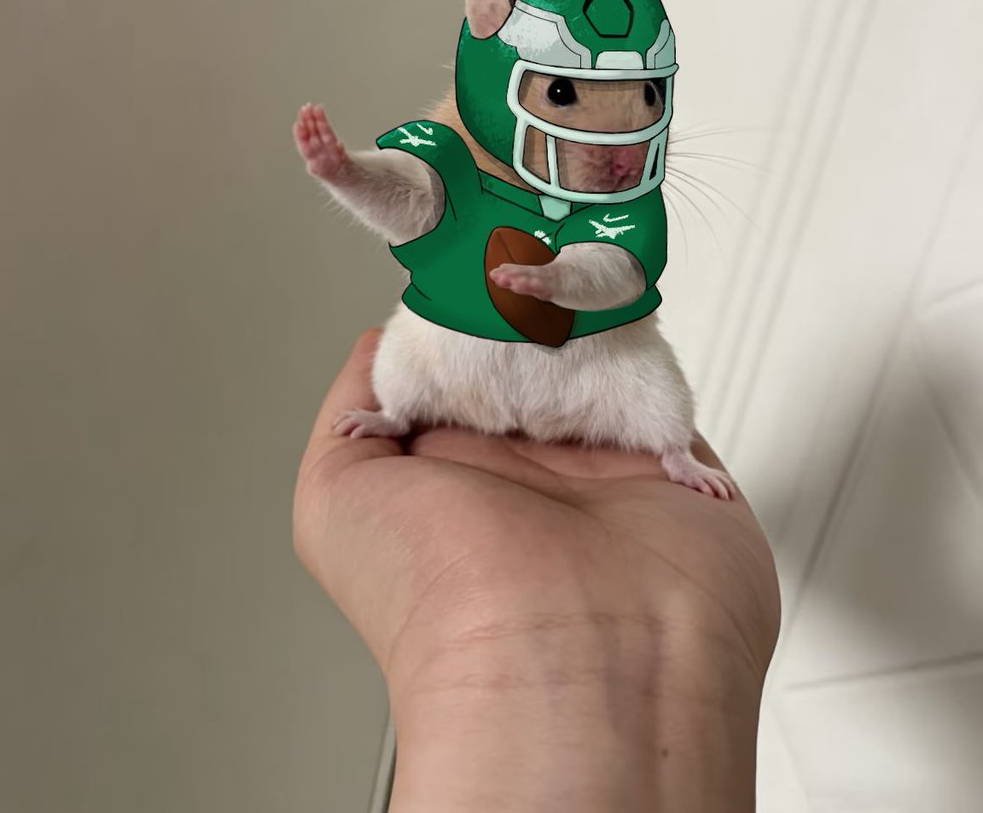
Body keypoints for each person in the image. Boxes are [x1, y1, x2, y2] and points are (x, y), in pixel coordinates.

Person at [293, 330, 781, 811]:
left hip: (596, 376)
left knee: (649, 377)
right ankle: (398, 412)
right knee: (403, 347)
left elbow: (617, 289)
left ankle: (675, 453)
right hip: (464, 381)